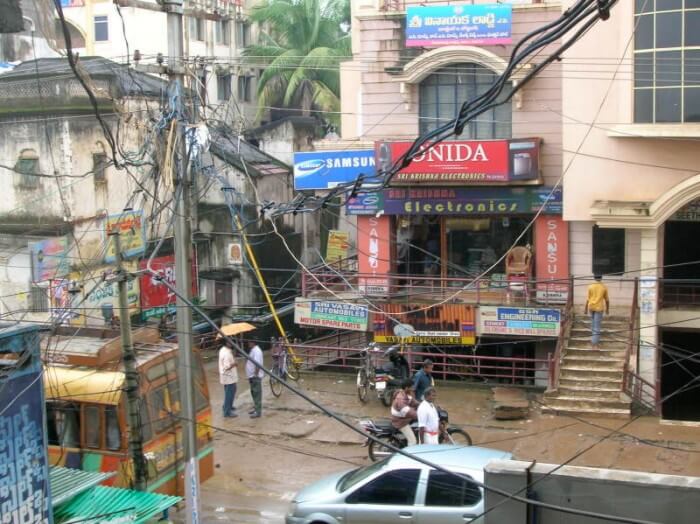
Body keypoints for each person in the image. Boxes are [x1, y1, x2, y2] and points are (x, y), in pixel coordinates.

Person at [584, 274, 610, 349]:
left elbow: (588, 299)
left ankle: (593, 340)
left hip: (591, 307)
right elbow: (607, 300)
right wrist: (607, 309)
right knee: (597, 327)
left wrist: (585, 309)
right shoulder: (603, 287)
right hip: (599, 308)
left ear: (594, 278)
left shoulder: (590, 286)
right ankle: (594, 344)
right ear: (601, 278)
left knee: (593, 325)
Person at [391, 379, 419, 446]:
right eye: (411, 387)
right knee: (413, 441)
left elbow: (414, 402)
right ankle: (409, 452)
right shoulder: (400, 399)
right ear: (406, 388)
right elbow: (409, 412)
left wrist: (424, 405)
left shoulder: (407, 394)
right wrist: (420, 415)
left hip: (405, 418)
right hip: (400, 422)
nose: (413, 388)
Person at [218, 339, 238, 418]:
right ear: (227, 343)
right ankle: (227, 411)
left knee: (229, 392)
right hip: (229, 377)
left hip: (226, 376)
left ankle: (228, 406)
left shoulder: (223, 350)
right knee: (229, 393)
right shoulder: (226, 353)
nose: (232, 343)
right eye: (230, 342)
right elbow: (227, 366)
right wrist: (234, 364)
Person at [245, 339, 265, 418]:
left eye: (249, 342)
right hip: (251, 376)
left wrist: (255, 375)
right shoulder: (253, 350)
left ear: (252, 342)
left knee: (257, 394)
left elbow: (257, 364)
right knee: (253, 393)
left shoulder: (257, 351)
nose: (248, 343)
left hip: (255, 377)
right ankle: (256, 408)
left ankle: (258, 412)